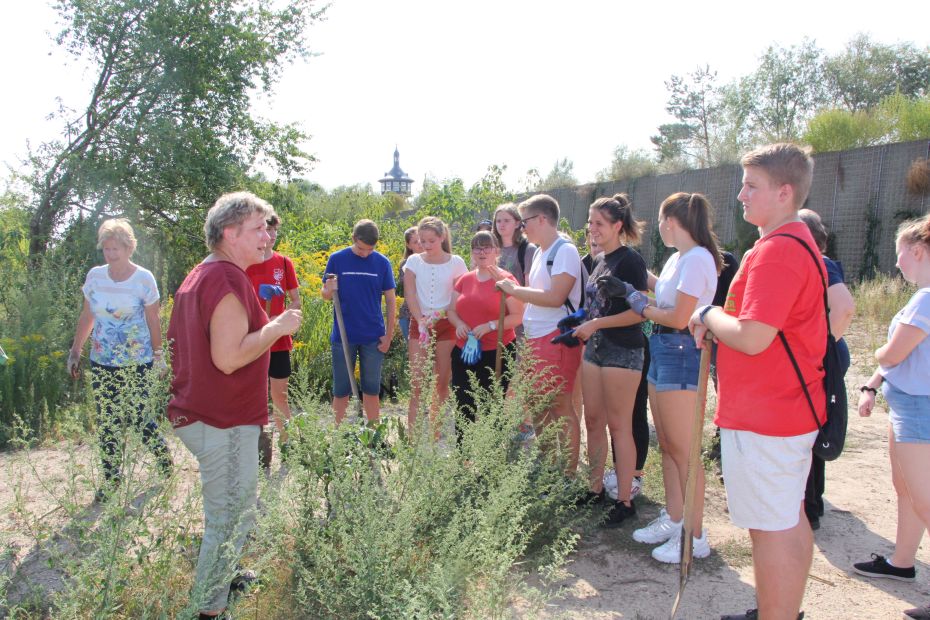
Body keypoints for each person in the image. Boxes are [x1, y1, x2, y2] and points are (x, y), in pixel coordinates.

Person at [689, 144, 824, 620]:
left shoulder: (779, 250)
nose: (741, 194)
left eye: (752, 185)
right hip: (780, 408)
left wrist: (708, 312)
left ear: (784, 192)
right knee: (786, 518)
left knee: (772, 527)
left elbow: (752, 337)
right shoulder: (790, 242)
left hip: (769, 413)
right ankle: (778, 608)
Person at [167, 192, 302, 619]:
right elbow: (228, 357)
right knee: (229, 519)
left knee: (230, 514)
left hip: (208, 414)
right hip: (221, 419)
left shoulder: (204, 273)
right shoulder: (224, 279)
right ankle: (210, 610)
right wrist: (278, 325)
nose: (267, 237)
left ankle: (222, 581)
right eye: (259, 228)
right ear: (230, 233)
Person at [628, 192, 721, 563]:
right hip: (664, 349)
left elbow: (680, 317)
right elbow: (666, 294)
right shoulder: (678, 258)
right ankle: (675, 516)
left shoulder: (697, 259)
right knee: (667, 444)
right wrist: (638, 281)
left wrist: (642, 307)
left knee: (684, 450)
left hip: (682, 351)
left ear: (671, 221)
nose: (659, 227)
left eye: (661, 221)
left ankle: (695, 535)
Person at [853, 216, 930, 620]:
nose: (897, 262)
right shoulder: (921, 296)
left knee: (924, 497)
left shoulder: (926, 298)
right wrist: (872, 384)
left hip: (920, 409)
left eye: (900, 253)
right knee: (907, 490)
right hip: (907, 404)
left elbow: (894, 353)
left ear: (917, 251)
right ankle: (902, 562)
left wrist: (880, 356)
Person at [67, 218, 172, 502]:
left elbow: (153, 320)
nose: (110, 254)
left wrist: (159, 356)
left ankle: (163, 457)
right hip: (103, 359)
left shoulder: (143, 279)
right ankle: (111, 480)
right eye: (106, 249)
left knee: (138, 416)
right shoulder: (95, 277)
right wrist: (76, 350)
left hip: (138, 359)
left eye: (116, 249)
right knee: (108, 420)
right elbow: (88, 316)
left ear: (129, 248)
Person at [569, 194, 648, 527]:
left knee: (619, 426)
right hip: (595, 350)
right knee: (593, 422)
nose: (592, 229)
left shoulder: (630, 261)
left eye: (599, 223)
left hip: (622, 351)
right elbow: (598, 304)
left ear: (618, 226)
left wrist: (596, 324)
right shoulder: (598, 260)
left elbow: (638, 312)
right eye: (590, 223)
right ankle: (594, 488)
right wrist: (578, 319)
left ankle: (625, 500)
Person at [497, 194, 583, 475]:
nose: (522, 228)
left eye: (525, 221)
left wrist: (514, 291)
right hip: (535, 339)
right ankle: (546, 466)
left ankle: (567, 475)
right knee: (536, 404)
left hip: (556, 338)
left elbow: (555, 297)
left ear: (542, 219)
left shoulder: (564, 251)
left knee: (560, 406)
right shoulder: (541, 253)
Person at [798, 208, 855, 531]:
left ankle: (811, 506)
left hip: (822, 357)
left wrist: (817, 350)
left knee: (810, 429)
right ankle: (812, 502)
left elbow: (844, 308)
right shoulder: (820, 262)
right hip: (827, 353)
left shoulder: (819, 263)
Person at [447, 231, 524, 440]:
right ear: (471, 252)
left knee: (492, 405)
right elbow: (451, 311)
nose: (482, 252)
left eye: (486, 247)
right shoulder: (464, 280)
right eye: (477, 247)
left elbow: (518, 316)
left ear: (496, 251)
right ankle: (464, 456)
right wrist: (459, 323)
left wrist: (491, 325)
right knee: (464, 402)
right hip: (464, 351)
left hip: (497, 351)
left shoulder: (505, 279)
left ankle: (491, 458)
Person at [321, 219, 396, 424]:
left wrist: (388, 335)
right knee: (341, 390)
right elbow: (326, 295)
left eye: (370, 250)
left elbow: (390, 301)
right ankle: (339, 437)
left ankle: (374, 435)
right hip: (343, 337)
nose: (366, 254)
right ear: (354, 239)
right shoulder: (337, 259)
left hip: (373, 337)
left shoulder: (382, 263)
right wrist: (329, 289)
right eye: (362, 249)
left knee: (371, 389)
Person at [245, 212, 301, 473]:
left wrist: (282, 319)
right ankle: (255, 450)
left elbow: (296, 301)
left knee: (279, 395)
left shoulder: (283, 262)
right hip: (252, 339)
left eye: (276, 230)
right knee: (251, 396)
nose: (273, 235)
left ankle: (287, 446)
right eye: (268, 229)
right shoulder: (246, 263)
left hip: (278, 341)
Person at [403, 216, 467, 432]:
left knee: (441, 381)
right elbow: (410, 293)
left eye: (431, 240)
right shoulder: (413, 262)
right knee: (417, 382)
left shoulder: (456, 262)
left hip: (447, 323)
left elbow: (461, 295)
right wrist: (420, 318)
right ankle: (412, 438)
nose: (426, 245)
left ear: (442, 237)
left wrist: (442, 313)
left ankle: (436, 432)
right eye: (422, 241)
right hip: (420, 323)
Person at [493, 203, 537, 287]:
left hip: (518, 298)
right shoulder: (490, 249)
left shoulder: (528, 249)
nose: (501, 224)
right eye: (498, 221)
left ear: (517, 224)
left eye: (506, 220)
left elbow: (529, 286)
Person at [397, 227, 422, 342]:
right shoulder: (406, 264)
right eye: (415, 242)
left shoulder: (435, 260)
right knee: (415, 356)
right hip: (408, 316)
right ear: (408, 245)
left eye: (421, 240)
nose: (420, 244)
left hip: (431, 315)